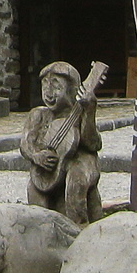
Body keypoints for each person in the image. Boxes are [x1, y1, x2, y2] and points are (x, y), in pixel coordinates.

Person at [22, 60, 103, 226]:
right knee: (33, 188)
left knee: (77, 179)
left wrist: (90, 111)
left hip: (80, 161)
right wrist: (36, 155)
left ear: (72, 89)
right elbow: (26, 143)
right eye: (45, 85)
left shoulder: (80, 112)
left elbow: (93, 144)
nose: (49, 92)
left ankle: (78, 227)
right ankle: (41, 229)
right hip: (49, 168)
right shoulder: (38, 115)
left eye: (56, 85)